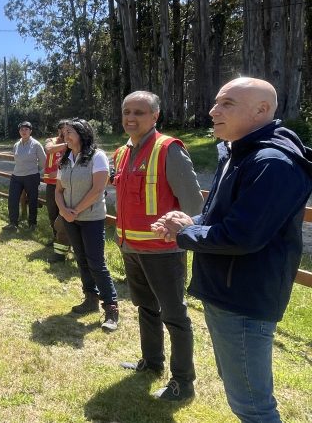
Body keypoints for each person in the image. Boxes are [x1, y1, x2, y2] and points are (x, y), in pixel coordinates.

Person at [154, 77, 312, 422]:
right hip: (226, 293)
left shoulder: (272, 163)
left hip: (244, 299)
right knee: (240, 390)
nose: (213, 111)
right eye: (215, 102)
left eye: (227, 103)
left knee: (252, 405)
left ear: (262, 111)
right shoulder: (239, 152)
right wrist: (191, 221)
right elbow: (225, 216)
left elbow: (242, 236)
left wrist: (187, 233)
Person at [111, 91, 203, 402]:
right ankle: (151, 363)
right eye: (126, 112)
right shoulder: (122, 153)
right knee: (145, 309)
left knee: (175, 316)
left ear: (154, 117)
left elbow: (194, 206)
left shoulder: (169, 149)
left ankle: (182, 382)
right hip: (131, 249)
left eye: (139, 112)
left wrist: (184, 235)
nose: (130, 118)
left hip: (163, 252)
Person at [55, 118, 119, 331]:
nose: (66, 137)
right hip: (71, 219)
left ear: (82, 134)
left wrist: (76, 211)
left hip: (91, 219)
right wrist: (64, 211)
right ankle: (90, 299)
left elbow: (98, 190)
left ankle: (111, 308)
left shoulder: (97, 157)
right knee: (81, 259)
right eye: (64, 133)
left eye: (70, 132)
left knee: (96, 262)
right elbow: (58, 190)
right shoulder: (65, 159)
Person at [4, 121, 47, 231]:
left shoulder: (36, 144)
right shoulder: (16, 145)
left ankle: (32, 224)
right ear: (19, 131)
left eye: (26, 129)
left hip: (31, 176)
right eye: (22, 129)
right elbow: (16, 158)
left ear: (30, 131)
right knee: (13, 199)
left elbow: (43, 161)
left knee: (32, 200)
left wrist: (36, 170)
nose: (24, 131)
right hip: (16, 176)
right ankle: (13, 223)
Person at [43, 120, 71, 262]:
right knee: (52, 213)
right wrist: (67, 144)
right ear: (59, 130)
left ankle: (68, 243)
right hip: (51, 184)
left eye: (68, 129)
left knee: (65, 214)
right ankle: (56, 239)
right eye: (63, 129)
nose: (65, 132)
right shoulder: (52, 141)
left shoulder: (74, 143)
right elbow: (49, 149)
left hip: (66, 185)